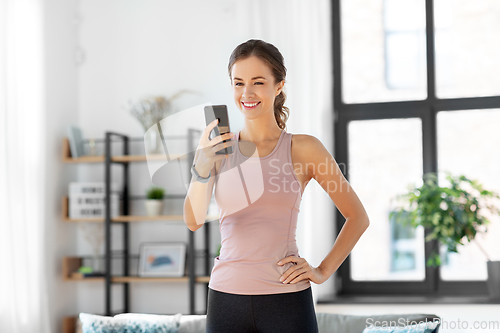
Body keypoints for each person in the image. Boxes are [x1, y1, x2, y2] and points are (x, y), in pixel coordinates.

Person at [183, 39, 370, 333]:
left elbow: (358, 217)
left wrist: (322, 271)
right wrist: (202, 167)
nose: (247, 93)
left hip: (287, 300)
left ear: (279, 85)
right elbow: (192, 221)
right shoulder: (215, 148)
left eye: (258, 82)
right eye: (238, 83)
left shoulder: (304, 148)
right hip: (226, 299)